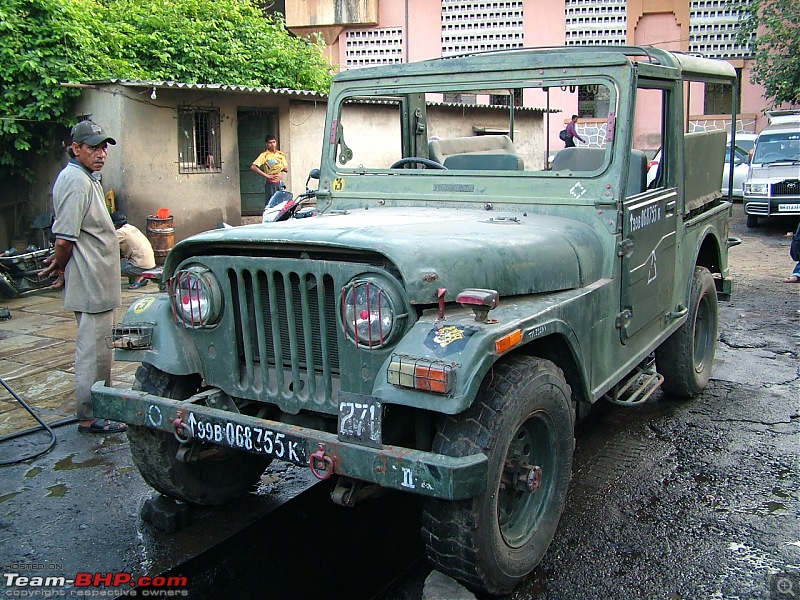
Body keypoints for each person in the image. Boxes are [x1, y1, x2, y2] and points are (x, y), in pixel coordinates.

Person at [39, 120, 126, 434]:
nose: (101, 153)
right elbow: (64, 239)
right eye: (93, 147)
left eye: (104, 147)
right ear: (76, 148)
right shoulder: (75, 180)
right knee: (92, 350)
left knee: (102, 348)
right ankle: (90, 415)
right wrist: (60, 266)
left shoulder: (88, 178)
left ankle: (100, 406)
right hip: (90, 278)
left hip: (98, 278)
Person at [111, 211, 156, 289]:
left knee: (113, 265)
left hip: (142, 266)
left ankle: (139, 277)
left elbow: (107, 243)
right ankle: (139, 278)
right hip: (150, 263)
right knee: (126, 259)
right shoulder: (130, 227)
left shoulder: (120, 232)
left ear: (114, 224)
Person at [250, 134, 289, 206]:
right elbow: (253, 167)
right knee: (271, 204)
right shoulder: (264, 155)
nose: (272, 144)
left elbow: (286, 169)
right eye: (270, 143)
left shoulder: (280, 154)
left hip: (280, 183)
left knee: (281, 204)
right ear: (266, 144)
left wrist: (280, 169)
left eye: (274, 142)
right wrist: (267, 175)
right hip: (271, 184)